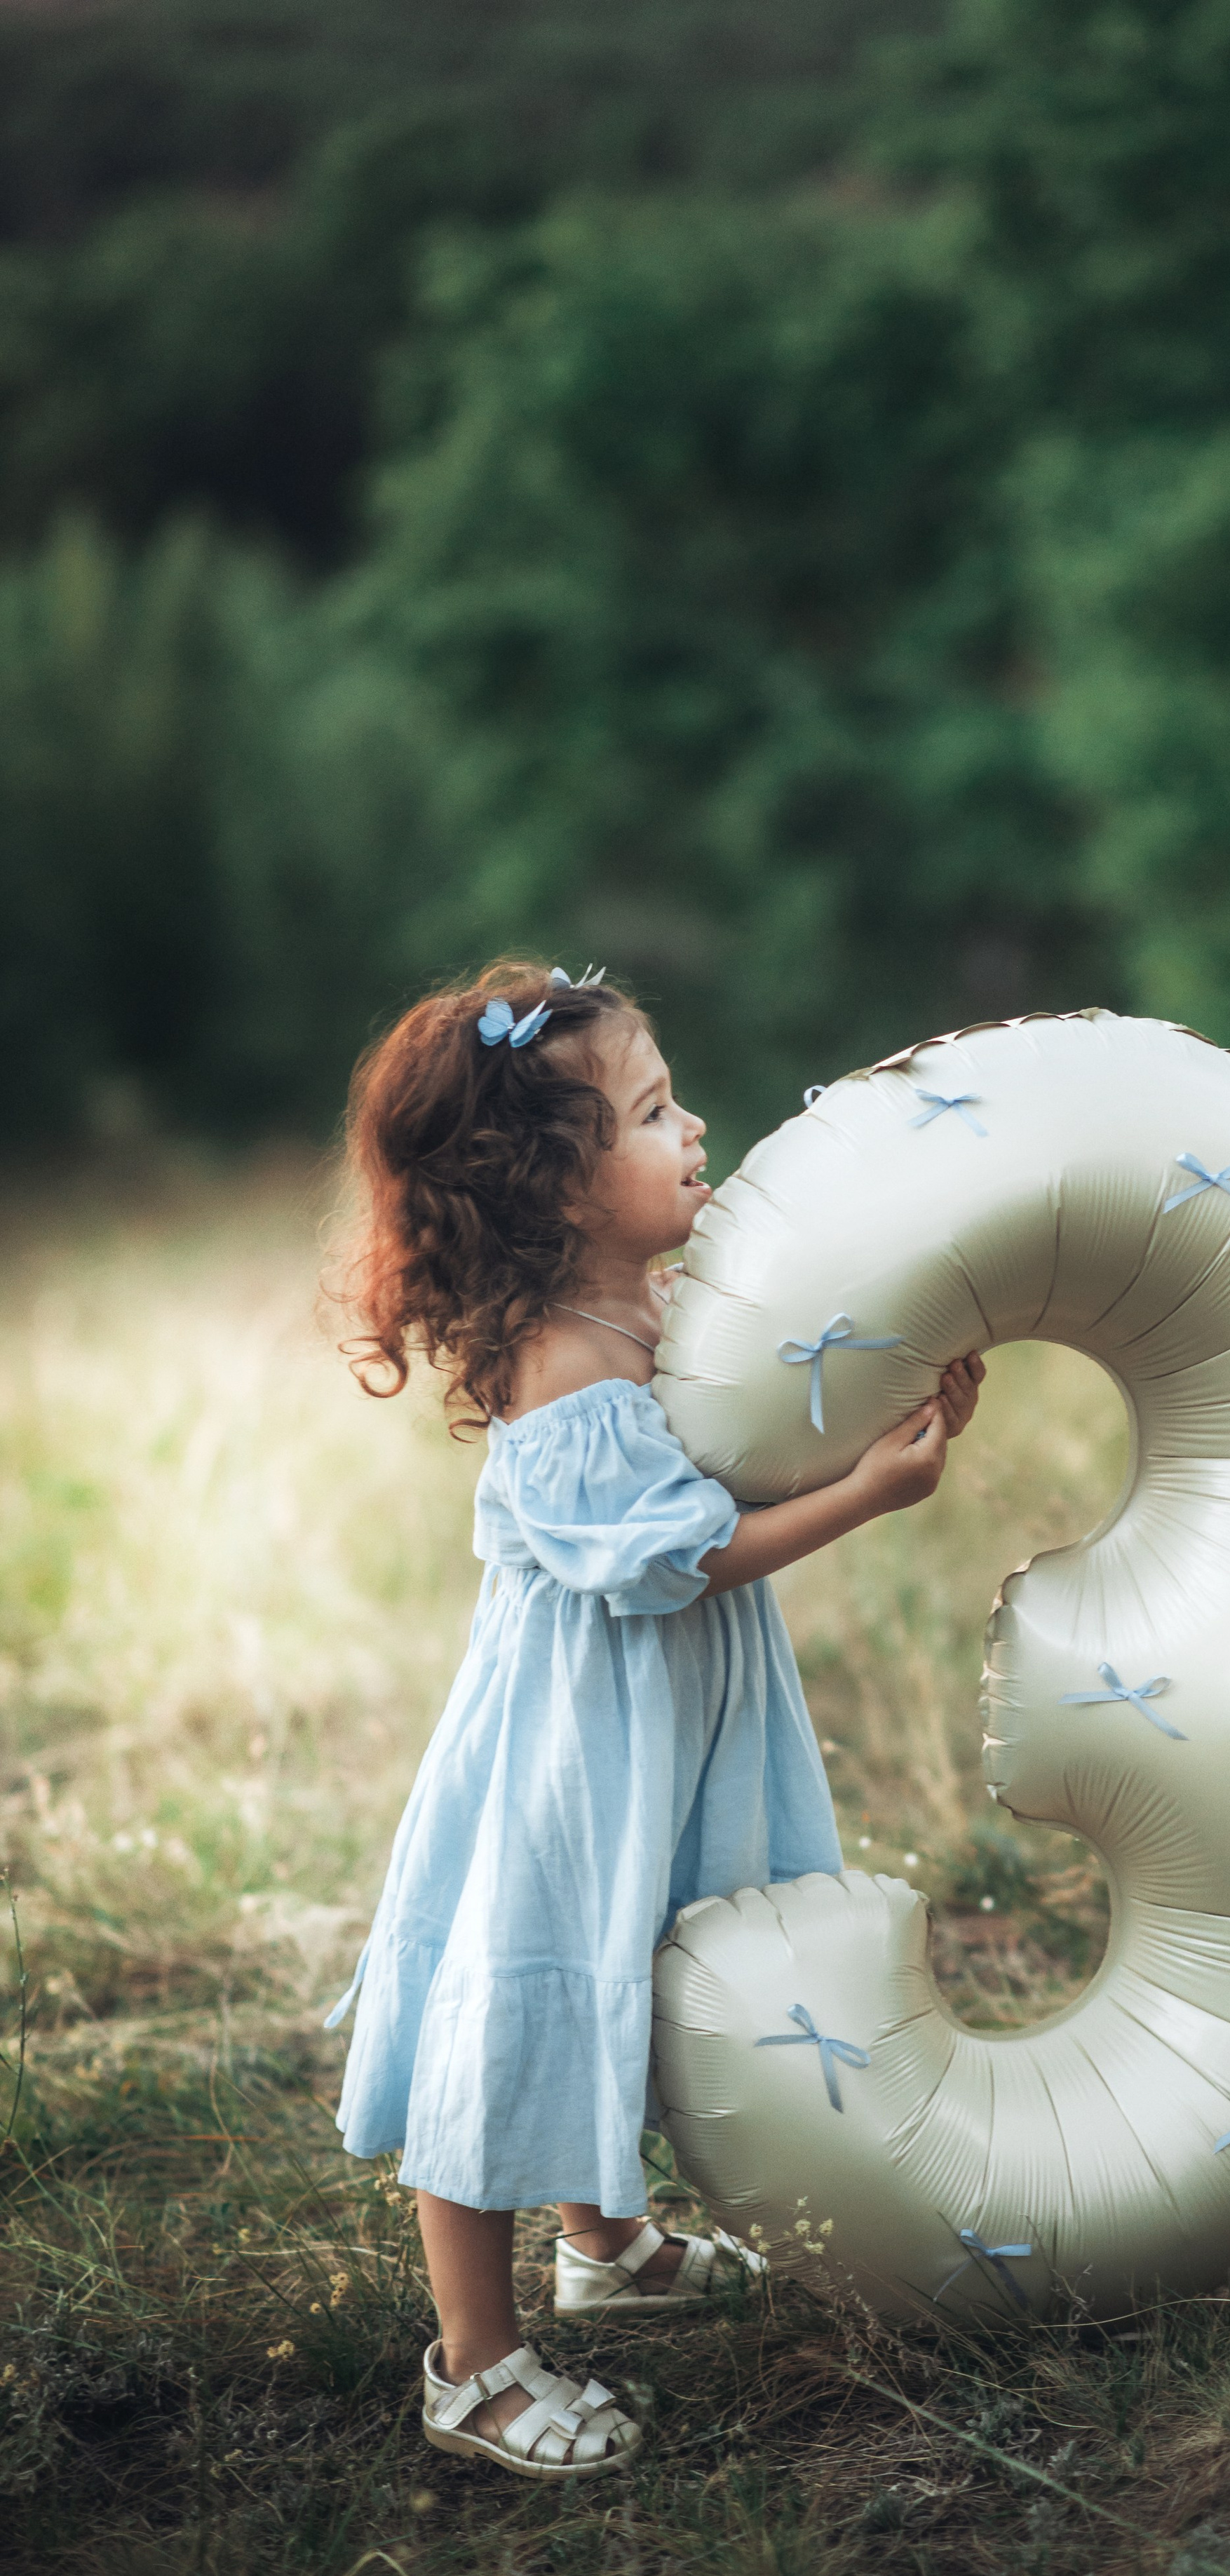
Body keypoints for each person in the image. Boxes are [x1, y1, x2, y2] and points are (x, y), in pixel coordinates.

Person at [326, 962, 983, 2479]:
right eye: (647, 1111)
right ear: (553, 1186)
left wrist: (892, 1403)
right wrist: (866, 1498)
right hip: (573, 1748)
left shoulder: (659, 1305)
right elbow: (678, 1554)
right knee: (535, 1983)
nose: (691, 1129)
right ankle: (474, 2362)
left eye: (672, 1093)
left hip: (660, 1729)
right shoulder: (564, 1361)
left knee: (645, 1946)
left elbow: (744, 1442)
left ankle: (606, 2245)